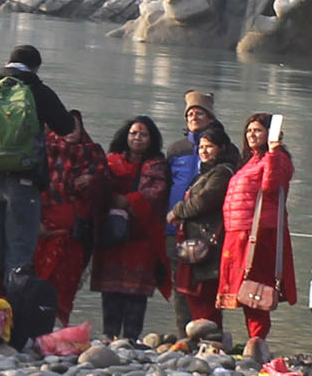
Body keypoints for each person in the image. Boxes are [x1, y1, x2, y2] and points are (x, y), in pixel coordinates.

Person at [0, 45, 74, 311]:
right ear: (36, 67)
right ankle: (12, 319)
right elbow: (67, 126)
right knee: (18, 255)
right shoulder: (39, 91)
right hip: (24, 184)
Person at [217, 113, 297, 357]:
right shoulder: (250, 161)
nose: (252, 135)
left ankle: (257, 340)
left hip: (260, 233)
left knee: (257, 288)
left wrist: (273, 150)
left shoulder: (278, 159)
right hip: (240, 231)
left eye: (258, 130)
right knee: (245, 289)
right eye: (249, 130)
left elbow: (271, 186)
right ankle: (253, 340)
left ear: (271, 134)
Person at [32, 113, 112, 336]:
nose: (71, 132)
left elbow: (106, 188)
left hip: (77, 232)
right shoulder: (45, 149)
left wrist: (93, 181)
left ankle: (59, 326)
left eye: (75, 128)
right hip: (44, 229)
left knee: (66, 283)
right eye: (66, 127)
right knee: (39, 278)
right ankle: (34, 325)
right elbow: (33, 186)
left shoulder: (93, 152)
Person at [164, 110, 239, 337]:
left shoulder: (221, 173)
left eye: (210, 147)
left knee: (204, 292)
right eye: (202, 147)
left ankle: (209, 340)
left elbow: (205, 201)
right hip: (193, 238)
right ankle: (190, 338)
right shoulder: (203, 171)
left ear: (222, 148)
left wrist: (177, 211)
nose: (204, 151)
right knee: (189, 291)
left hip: (208, 241)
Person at [95, 117, 169, 341]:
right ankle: (109, 335)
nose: (138, 138)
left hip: (142, 235)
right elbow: (99, 187)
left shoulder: (157, 165)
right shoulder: (110, 162)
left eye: (143, 134)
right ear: (126, 136)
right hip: (113, 234)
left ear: (151, 139)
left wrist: (124, 201)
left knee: (137, 290)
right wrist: (112, 199)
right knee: (110, 288)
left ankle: (131, 337)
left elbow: (156, 192)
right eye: (134, 133)